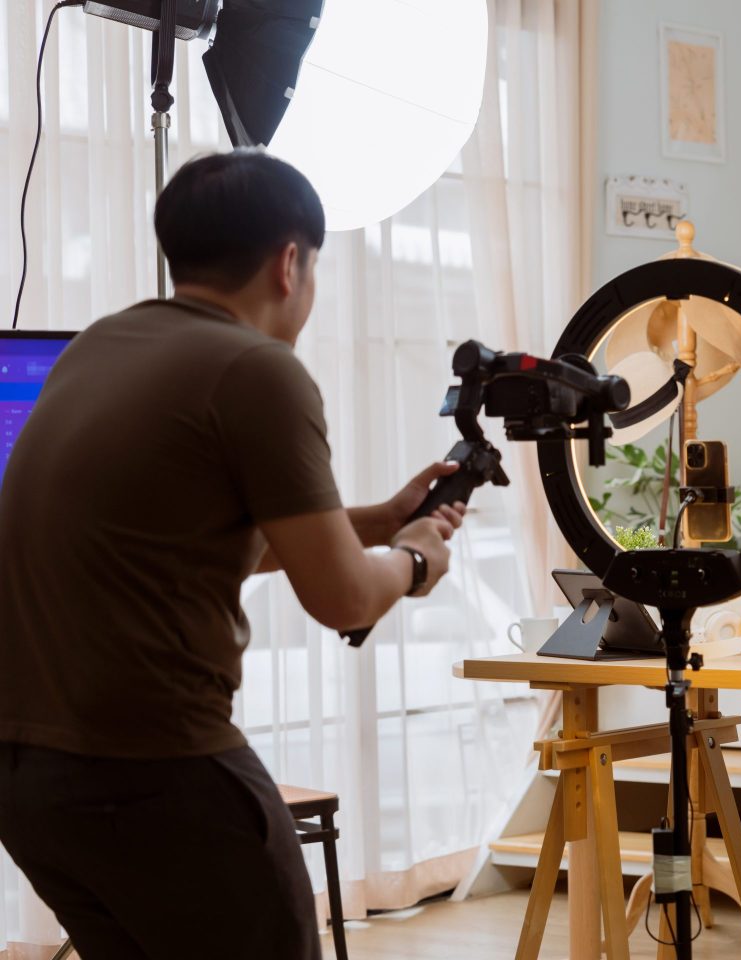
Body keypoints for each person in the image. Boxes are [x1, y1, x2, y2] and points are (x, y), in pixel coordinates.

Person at [0, 151, 465, 960]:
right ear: (291, 262)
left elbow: (181, 548)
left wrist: (381, 518)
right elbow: (346, 601)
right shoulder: (258, 369)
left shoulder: (100, 345)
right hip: (152, 770)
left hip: (28, 778)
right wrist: (415, 559)